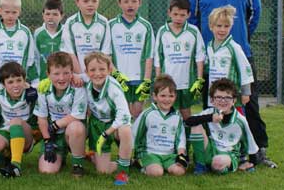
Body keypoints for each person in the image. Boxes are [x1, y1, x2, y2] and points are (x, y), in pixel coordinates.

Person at [188, 0, 275, 167]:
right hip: (211, 58)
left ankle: (258, 152)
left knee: (249, 104)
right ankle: (208, 152)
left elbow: (254, 14)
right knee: (211, 105)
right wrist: (206, 44)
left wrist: (240, 38)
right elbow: (193, 19)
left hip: (241, 54)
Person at [185, 78, 258, 175]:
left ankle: (220, 166)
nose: (223, 101)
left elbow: (250, 142)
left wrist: (251, 162)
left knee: (218, 162)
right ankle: (201, 165)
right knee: (196, 126)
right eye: (218, 97)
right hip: (209, 150)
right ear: (212, 100)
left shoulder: (240, 120)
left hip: (228, 153)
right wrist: (210, 118)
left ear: (234, 100)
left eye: (227, 98)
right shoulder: (210, 113)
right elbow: (188, 121)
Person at [34, 52, 87, 176]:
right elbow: (41, 118)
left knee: (76, 127)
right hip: (54, 136)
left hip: (72, 131)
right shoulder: (43, 88)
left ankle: (77, 163)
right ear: (48, 74)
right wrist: (47, 140)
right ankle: (60, 156)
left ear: (72, 73)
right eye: (56, 74)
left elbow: (76, 115)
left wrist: (54, 125)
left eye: (66, 73)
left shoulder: (77, 87)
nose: (61, 78)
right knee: (46, 170)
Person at [84, 52, 132, 185]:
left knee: (126, 130)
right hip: (97, 124)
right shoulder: (86, 84)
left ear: (109, 70)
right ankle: (127, 161)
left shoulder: (114, 88)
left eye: (102, 69)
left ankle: (123, 172)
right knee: (103, 171)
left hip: (114, 126)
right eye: (92, 70)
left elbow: (124, 116)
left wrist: (106, 134)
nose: (97, 73)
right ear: (86, 72)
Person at [154, 0, 205, 120]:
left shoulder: (193, 31)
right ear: (169, 12)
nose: (178, 18)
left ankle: (187, 137)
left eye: (182, 15)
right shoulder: (163, 31)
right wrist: (159, 79)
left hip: (187, 82)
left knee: (186, 112)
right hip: (168, 81)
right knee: (167, 111)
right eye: (175, 14)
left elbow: (200, 56)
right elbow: (158, 56)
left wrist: (199, 79)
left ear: (188, 15)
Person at [109, 0, 154, 119]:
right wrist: (116, 75)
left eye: (134, 1)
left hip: (138, 79)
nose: (130, 5)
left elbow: (149, 56)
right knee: (123, 114)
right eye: (126, 1)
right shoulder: (111, 25)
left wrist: (146, 81)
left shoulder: (146, 26)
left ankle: (136, 139)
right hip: (119, 79)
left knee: (137, 113)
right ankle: (121, 140)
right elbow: (107, 55)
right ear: (119, 3)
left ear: (140, 2)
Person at [0, 61, 35, 178]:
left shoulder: (31, 93)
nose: (15, 85)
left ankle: (15, 166)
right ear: (3, 84)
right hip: (7, 130)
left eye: (19, 80)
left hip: (26, 133)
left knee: (15, 121)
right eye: (10, 82)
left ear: (24, 80)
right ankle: (6, 156)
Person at [131, 74, 187, 177]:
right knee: (157, 172)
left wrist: (181, 155)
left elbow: (180, 139)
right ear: (155, 96)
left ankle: (164, 165)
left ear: (175, 97)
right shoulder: (147, 114)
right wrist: (130, 154)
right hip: (150, 153)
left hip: (169, 155)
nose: (167, 99)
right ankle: (140, 164)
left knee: (179, 171)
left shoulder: (177, 116)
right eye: (163, 95)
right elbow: (134, 134)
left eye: (171, 96)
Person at [60, 0, 111, 84]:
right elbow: (69, 53)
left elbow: (105, 53)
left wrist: (97, 74)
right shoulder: (70, 22)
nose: (90, 4)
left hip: (98, 76)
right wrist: (81, 75)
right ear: (77, 2)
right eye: (86, 1)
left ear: (98, 2)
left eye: (94, 1)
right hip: (78, 77)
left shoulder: (104, 22)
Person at [0, 0, 38, 86]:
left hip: (19, 82)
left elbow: (30, 59)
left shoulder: (25, 32)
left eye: (14, 12)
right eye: (7, 12)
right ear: (0, 11)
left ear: (19, 12)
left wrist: (28, 80)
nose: (10, 16)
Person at [206, 6, 253, 110]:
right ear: (211, 26)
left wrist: (246, 92)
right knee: (216, 122)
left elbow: (245, 70)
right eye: (219, 26)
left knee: (234, 121)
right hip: (215, 93)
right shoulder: (209, 46)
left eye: (226, 26)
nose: (222, 30)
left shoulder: (234, 47)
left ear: (231, 27)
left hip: (230, 95)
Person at [33, 0, 64, 80]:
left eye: (55, 14)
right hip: (43, 79)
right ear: (43, 15)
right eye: (47, 14)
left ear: (61, 16)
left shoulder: (66, 32)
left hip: (62, 79)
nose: (51, 17)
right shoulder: (38, 33)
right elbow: (34, 57)